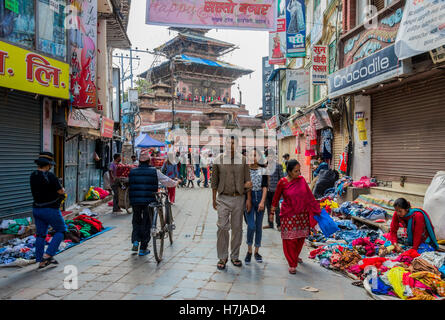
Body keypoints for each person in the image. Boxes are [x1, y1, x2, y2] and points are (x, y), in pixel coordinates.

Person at [271, 160, 321, 274]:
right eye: (295, 171)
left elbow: (309, 196)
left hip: (302, 215)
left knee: (300, 237)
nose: (298, 173)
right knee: (290, 239)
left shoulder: (302, 180)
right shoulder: (282, 182)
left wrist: (317, 209)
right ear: (289, 172)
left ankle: (295, 256)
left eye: (299, 170)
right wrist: (272, 211)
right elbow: (276, 197)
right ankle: (292, 263)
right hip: (288, 215)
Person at [211, 135, 252, 270]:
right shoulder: (218, 160)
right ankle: (222, 257)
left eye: (233, 143)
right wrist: (213, 199)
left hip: (239, 198)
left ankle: (234, 256)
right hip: (222, 198)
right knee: (222, 227)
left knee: (237, 228)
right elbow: (214, 182)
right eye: (228, 143)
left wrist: (248, 199)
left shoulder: (244, 160)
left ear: (237, 145)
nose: (230, 145)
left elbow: (248, 181)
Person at [128, 149, 178, 256]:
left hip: (135, 201)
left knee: (136, 220)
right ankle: (143, 248)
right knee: (147, 222)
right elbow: (167, 181)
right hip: (149, 201)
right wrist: (175, 183)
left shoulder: (132, 172)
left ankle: (136, 240)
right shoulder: (154, 171)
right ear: (149, 161)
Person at [30, 152, 67, 270]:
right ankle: (48, 254)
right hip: (50, 209)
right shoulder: (50, 176)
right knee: (61, 230)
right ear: (49, 165)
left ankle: (41, 261)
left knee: (41, 234)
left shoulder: (33, 175)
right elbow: (61, 191)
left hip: (36, 208)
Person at [244, 148, 268, 265]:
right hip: (248, 199)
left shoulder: (263, 170)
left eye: (255, 155)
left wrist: (262, 201)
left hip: (260, 197)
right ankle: (249, 250)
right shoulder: (245, 170)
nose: (253, 157)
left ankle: (256, 251)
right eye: (251, 155)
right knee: (251, 226)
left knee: (258, 226)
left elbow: (265, 187)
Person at [263, 149, 284, 230]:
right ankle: (270, 224)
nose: (270, 157)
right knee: (268, 208)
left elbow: (281, 178)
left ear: (274, 156)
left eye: (271, 155)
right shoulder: (264, 166)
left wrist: (281, 191)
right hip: (267, 191)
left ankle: (279, 225)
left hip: (276, 190)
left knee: (276, 208)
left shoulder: (278, 166)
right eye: (268, 156)